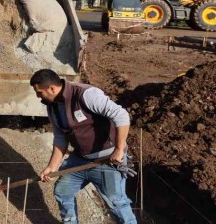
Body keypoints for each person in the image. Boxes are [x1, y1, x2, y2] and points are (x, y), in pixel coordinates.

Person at [30, 69, 137, 224]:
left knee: (116, 204)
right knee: (63, 192)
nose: (38, 96)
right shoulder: (52, 106)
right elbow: (60, 137)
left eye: (39, 92)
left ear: (51, 88)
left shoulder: (85, 94)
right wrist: (52, 167)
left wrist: (119, 149)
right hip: (80, 160)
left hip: (107, 160)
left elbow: (121, 115)